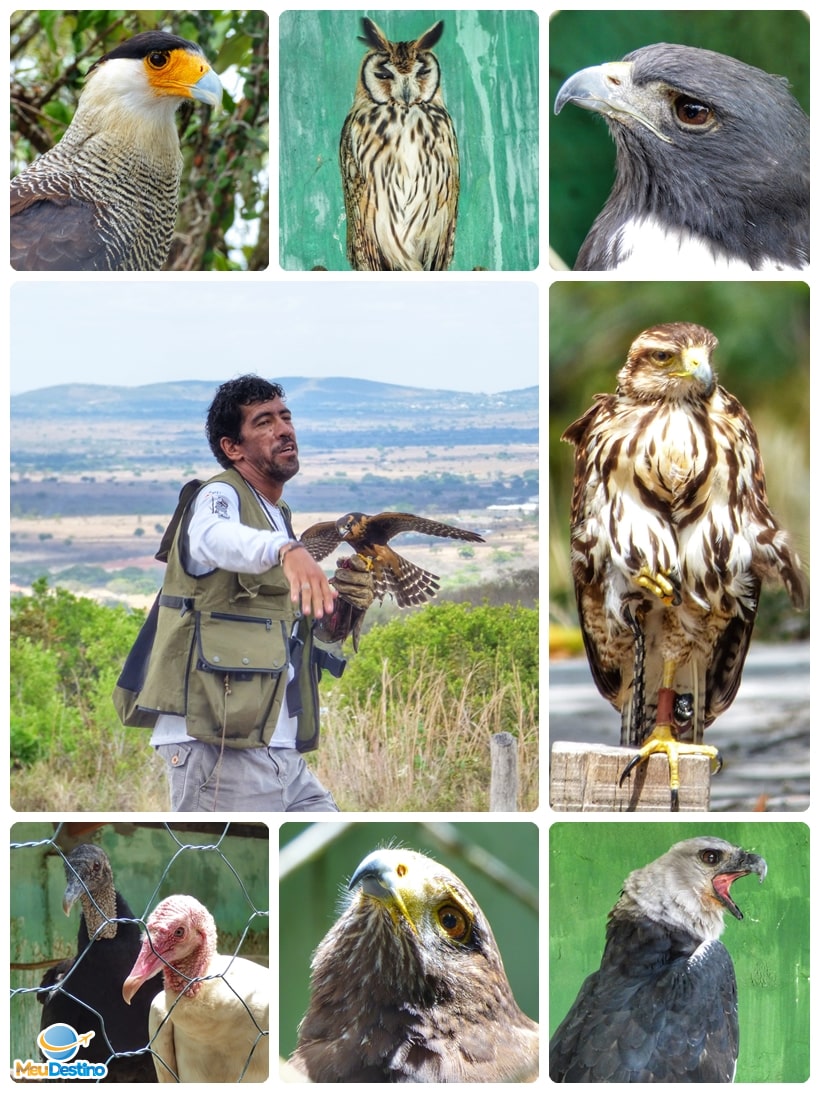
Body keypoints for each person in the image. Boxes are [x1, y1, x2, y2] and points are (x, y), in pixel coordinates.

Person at [113, 375, 368, 811]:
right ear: (233, 447)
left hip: (277, 743)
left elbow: (282, 625)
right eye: (264, 422)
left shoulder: (278, 513)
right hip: (214, 744)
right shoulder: (217, 495)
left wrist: (340, 611)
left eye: (285, 417)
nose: (284, 429)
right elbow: (213, 537)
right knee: (228, 872)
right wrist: (286, 549)